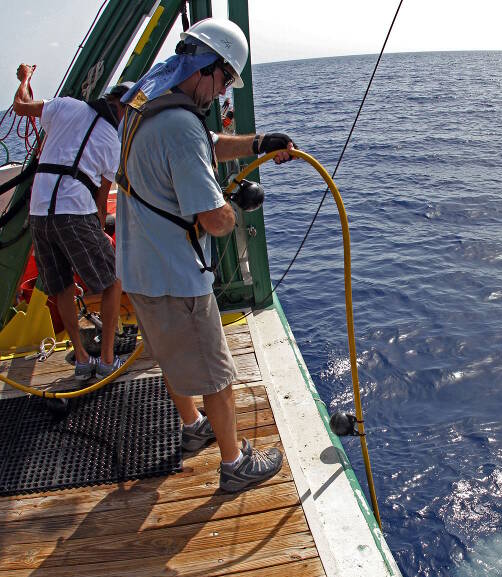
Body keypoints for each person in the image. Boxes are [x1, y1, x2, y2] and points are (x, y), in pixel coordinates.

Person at [116, 17, 297, 493]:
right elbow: (214, 220)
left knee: (173, 359)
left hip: (138, 269)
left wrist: (258, 143)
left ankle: (193, 426)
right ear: (208, 67)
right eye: (224, 81)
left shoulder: (144, 104)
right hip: (177, 276)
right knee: (217, 374)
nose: (221, 95)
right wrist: (235, 205)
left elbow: (208, 144)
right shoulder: (179, 125)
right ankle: (235, 464)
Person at [12, 67, 130, 380]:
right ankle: (106, 359)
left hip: (38, 213)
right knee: (114, 279)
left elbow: (21, 106)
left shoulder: (65, 105)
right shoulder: (112, 142)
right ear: (122, 110)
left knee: (62, 285)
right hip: (74, 212)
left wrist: (25, 78)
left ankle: (81, 360)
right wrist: (101, 234)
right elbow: (100, 202)